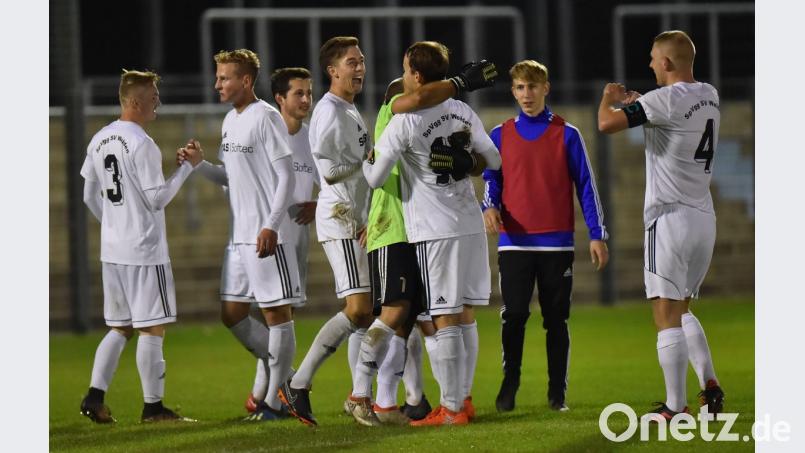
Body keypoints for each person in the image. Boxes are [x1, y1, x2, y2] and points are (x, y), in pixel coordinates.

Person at [361, 41, 502, 427]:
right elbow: (494, 160)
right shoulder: (461, 109)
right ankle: (464, 400)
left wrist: (368, 156)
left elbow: (374, 177)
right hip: (469, 223)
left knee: (443, 317)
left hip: (434, 229)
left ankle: (452, 409)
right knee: (467, 313)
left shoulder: (403, 120)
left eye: (406, 70)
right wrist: (467, 161)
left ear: (416, 76)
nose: (403, 76)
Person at [597, 30, 724, 420]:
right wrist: (642, 105)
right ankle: (710, 385)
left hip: (669, 219)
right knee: (682, 310)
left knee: (664, 314)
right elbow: (670, 114)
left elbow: (606, 124)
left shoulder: (662, 100)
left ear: (666, 63)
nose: (650, 64)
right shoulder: (709, 94)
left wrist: (610, 98)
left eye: (654, 58)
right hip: (704, 217)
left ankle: (675, 406)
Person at [483, 60, 609, 413]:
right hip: (514, 243)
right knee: (514, 315)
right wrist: (488, 206)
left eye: (533, 87)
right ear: (513, 91)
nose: (527, 94)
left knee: (556, 319)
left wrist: (597, 234)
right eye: (520, 88)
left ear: (545, 88)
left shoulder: (567, 134)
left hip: (557, 244)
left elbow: (586, 185)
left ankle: (557, 394)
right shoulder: (499, 134)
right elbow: (492, 180)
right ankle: (510, 384)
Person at [182, 49, 300, 422]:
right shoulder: (230, 121)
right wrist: (200, 166)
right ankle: (291, 380)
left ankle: (277, 403)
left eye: (224, 77)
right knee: (231, 313)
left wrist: (272, 225)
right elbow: (229, 177)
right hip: (239, 238)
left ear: (245, 80)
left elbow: (286, 176)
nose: (217, 83)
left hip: (265, 235)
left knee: (276, 315)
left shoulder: (265, 117)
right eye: (217, 77)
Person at [79, 69, 200, 423]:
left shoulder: (100, 138)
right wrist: (188, 170)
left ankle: (94, 396)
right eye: (152, 96)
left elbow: (89, 194)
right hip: (144, 251)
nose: (157, 101)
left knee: (120, 326)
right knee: (152, 327)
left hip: (112, 251)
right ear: (134, 101)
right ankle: (153, 408)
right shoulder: (142, 143)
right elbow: (157, 199)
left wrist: (115, 224)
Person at [278, 36, 375, 427]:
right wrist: (369, 160)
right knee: (358, 309)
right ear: (333, 70)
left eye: (362, 60)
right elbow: (329, 170)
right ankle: (298, 383)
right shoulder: (330, 112)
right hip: (341, 219)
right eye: (352, 62)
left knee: (368, 314)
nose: (360, 68)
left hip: (357, 218)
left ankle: (360, 396)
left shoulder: (348, 109)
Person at [243, 67, 319, 414]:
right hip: (262, 239)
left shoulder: (312, 138)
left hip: (294, 242)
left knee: (278, 319)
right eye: (298, 94)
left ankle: (265, 395)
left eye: (308, 93)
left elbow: (330, 182)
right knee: (269, 318)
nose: (306, 100)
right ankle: (274, 393)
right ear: (279, 98)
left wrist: (318, 205)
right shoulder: (263, 135)